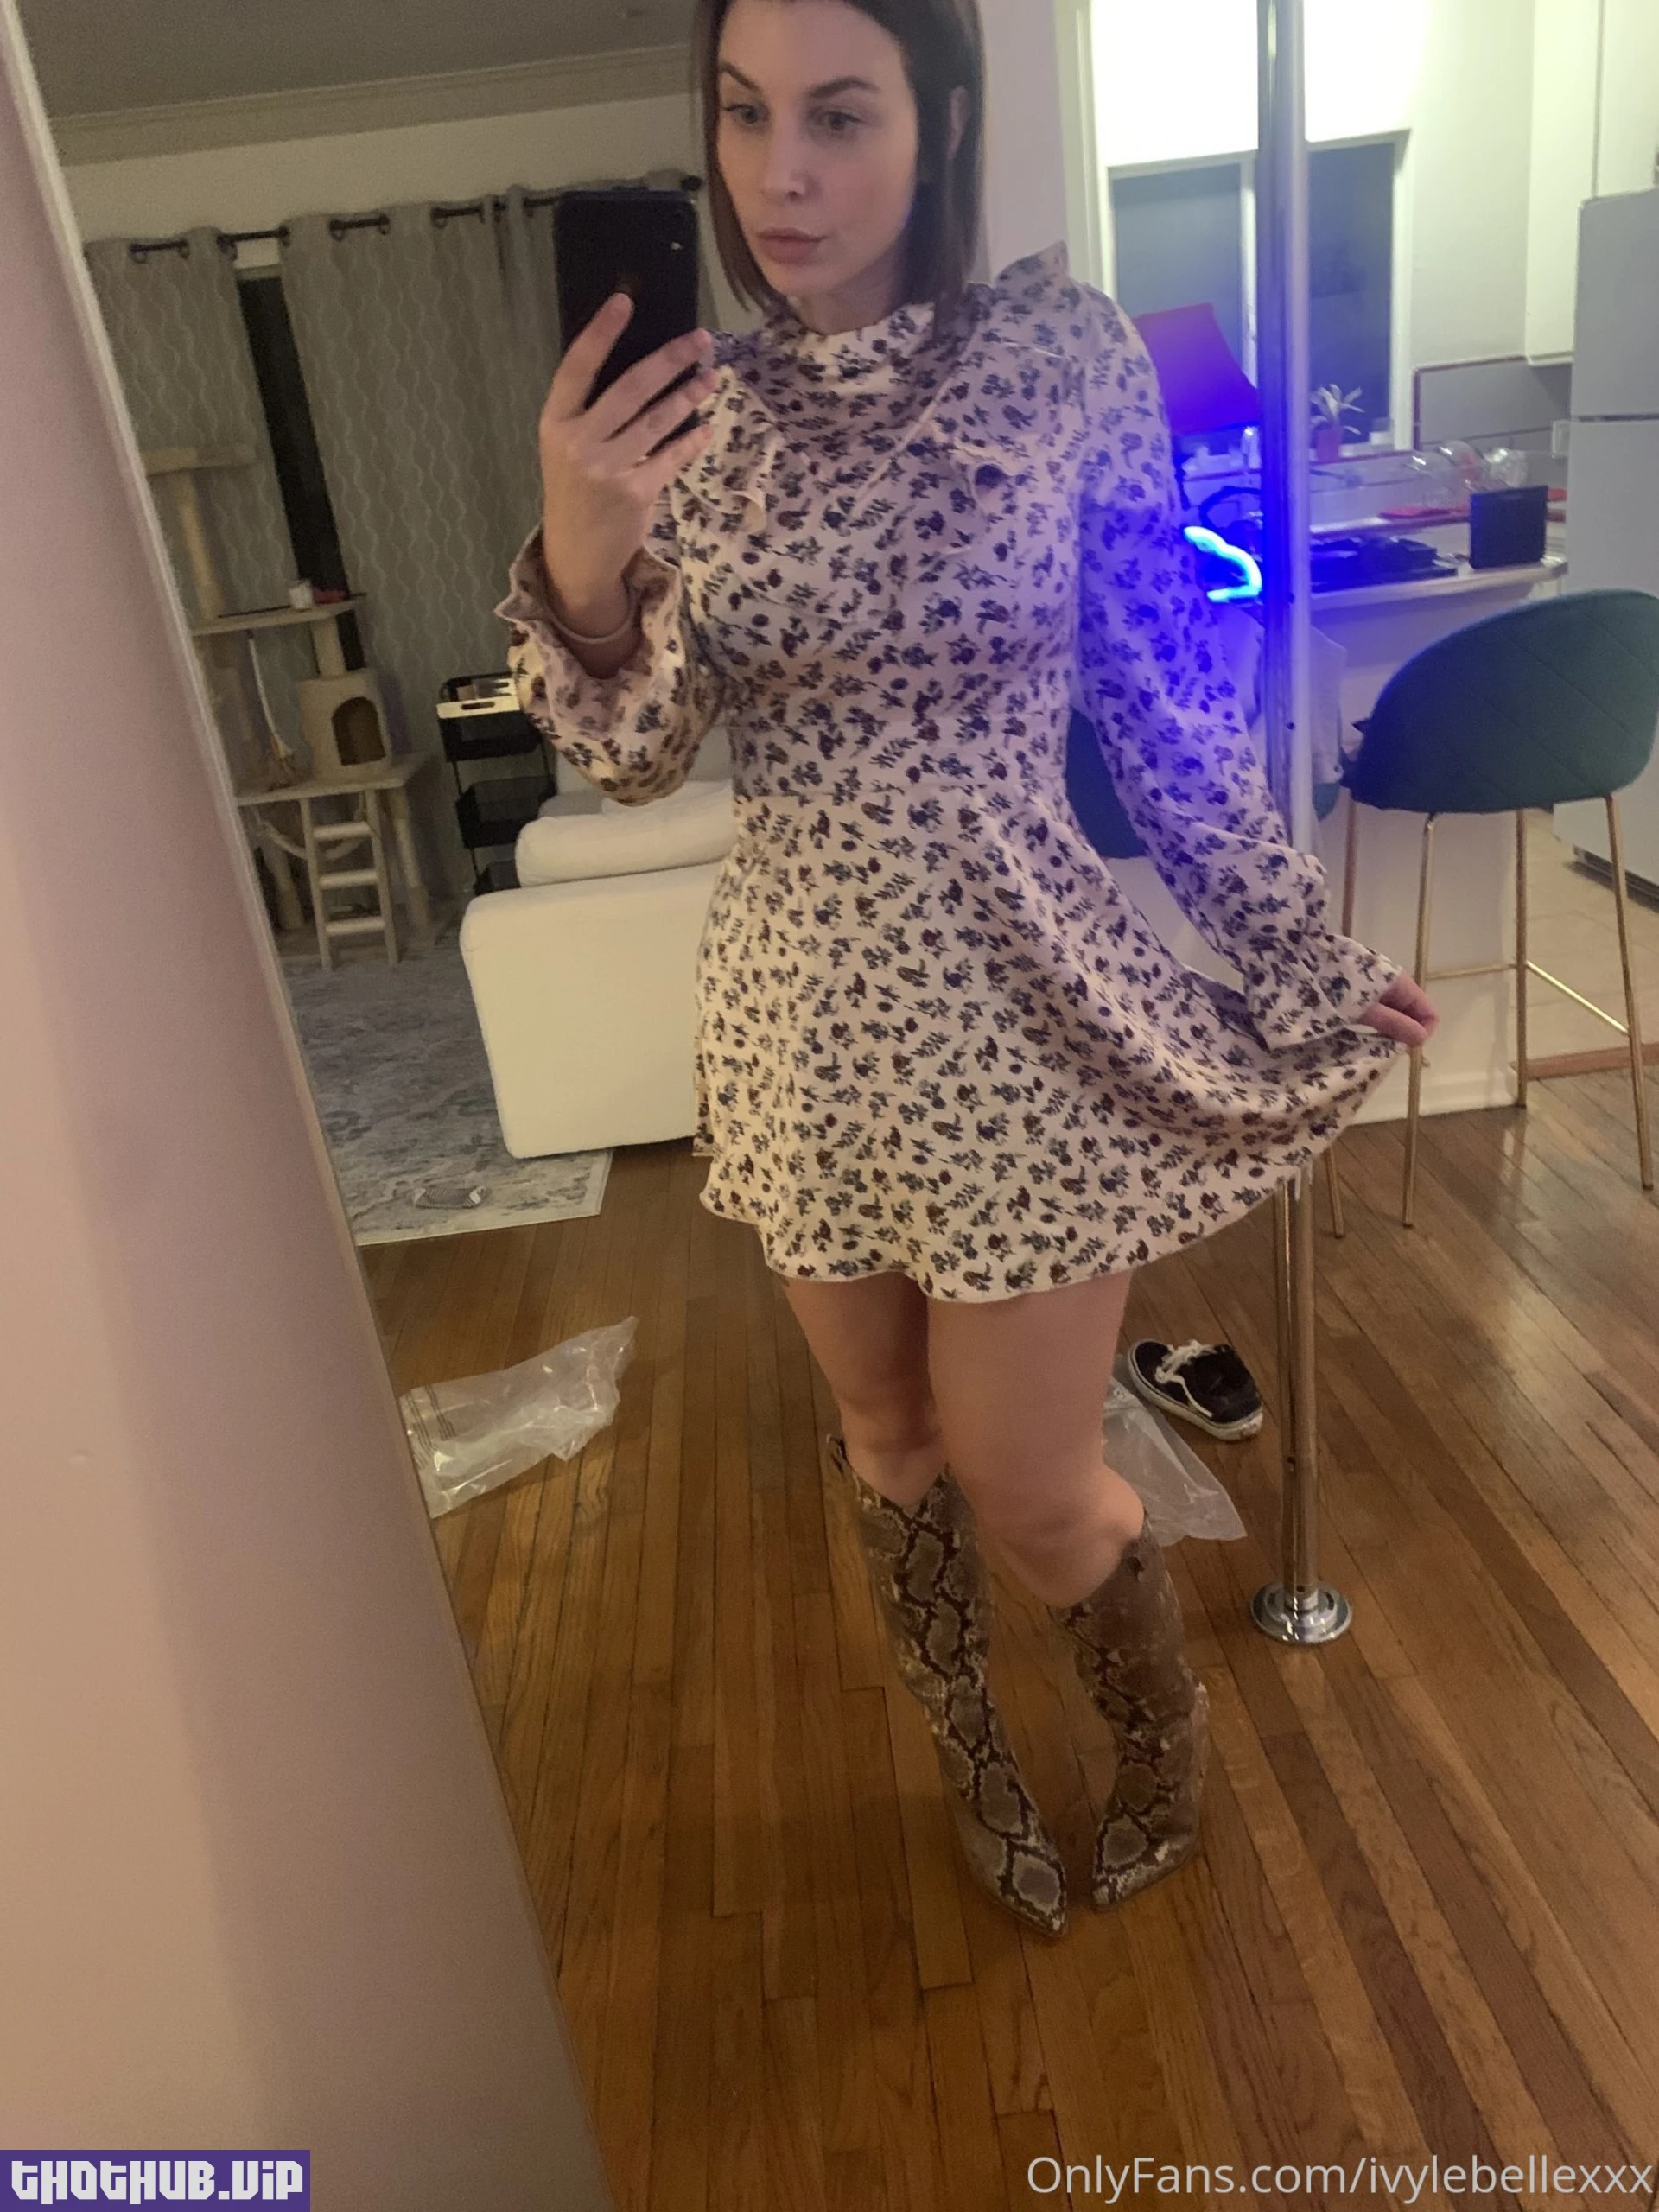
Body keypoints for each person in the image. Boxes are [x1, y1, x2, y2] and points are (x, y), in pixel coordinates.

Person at [500, 0, 1437, 1937]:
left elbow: (1164, 696)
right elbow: (638, 758)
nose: (782, 174)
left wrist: (1297, 948)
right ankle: (974, 1756)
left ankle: (1158, 1737)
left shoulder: (1060, 353)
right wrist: (583, 556)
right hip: (801, 1015)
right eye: (745, 114)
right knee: (889, 1437)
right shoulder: (690, 408)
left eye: (839, 116)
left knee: (1029, 1475)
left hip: (1018, 1004)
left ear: (938, 117)